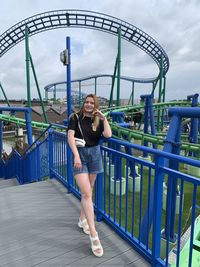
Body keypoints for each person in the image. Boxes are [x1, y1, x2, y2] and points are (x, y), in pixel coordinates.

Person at [67, 94, 112, 257]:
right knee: (86, 193)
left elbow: (108, 135)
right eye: (86, 102)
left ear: (95, 105)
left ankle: (82, 219)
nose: (88, 105)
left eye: (91, 103)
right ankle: (94, 235)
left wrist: (104, 118)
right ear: (83, 104)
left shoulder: (98, 120)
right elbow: (70, 136)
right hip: (80, 156)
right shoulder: (75, 117)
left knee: (89, 190)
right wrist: (76, 156)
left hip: (94, 155)